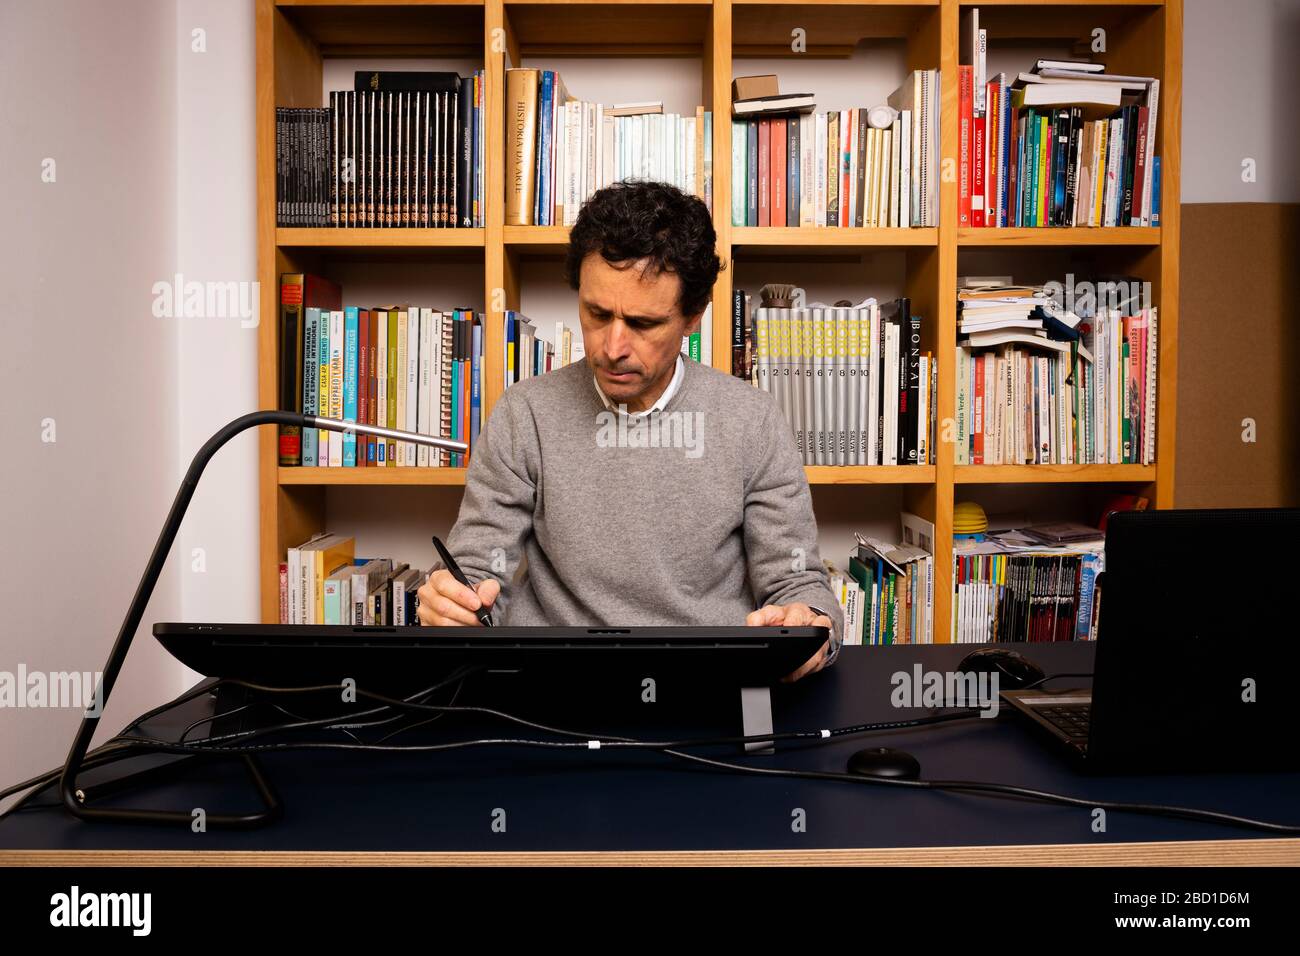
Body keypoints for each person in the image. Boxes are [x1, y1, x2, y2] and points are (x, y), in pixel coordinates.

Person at [416, 180, 843, 681]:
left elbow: (797, 583)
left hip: (709, 688)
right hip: (554, 688)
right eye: (597, 314)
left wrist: (809, 622)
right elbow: (478, 569)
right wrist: (454, 602)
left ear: (693, 318)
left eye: (642, 323)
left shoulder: (753, 421)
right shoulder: (524, 413)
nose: (613, 346)